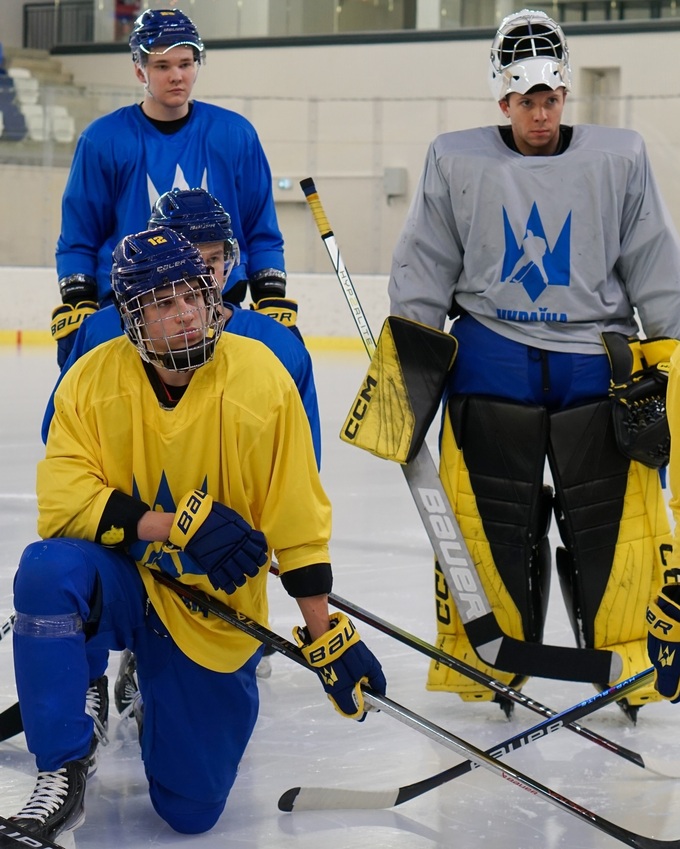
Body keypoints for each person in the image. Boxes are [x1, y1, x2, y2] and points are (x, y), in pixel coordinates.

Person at [9, 226, 386, 842]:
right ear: (131, 318)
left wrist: (325, 633)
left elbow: (296, 514)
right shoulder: (91, 379)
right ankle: (63, 766)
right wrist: (173, 524)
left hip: (211, 607)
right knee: (48, 571)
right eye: (163, 303)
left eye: (192, 295)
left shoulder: (261, 378)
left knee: (190, 812)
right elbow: (61, 499)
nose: (184, 314)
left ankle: (156, 683)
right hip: (127, 578)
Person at [386, 8, 680, 719]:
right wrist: (404, 376)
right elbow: (423, 267)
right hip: (490, 376)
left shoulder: (621, 158)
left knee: (612, 532)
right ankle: (495, 662)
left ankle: (626, 661)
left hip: (595, 380)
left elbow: (654, 265)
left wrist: (669, 358)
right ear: (502, 98)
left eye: (549, 99)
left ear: (566, 93)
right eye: (525, 101)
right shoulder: (455, 161)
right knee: (496, 532)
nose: (539, 115)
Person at [44, 186, 321, 718]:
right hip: (128, 544)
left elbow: (296, 474)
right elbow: (64, 451)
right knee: (61, 573)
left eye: (213, 261)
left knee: (191, 798)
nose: (202, 275)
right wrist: (139, 520)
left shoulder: (275, 347)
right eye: (191, 256)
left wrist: (282, 555)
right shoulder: (104, 336)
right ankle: (91, 679)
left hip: (221, 561)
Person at [51, 7, 299, 369]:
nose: (177, 76)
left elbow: (262, 229)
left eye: (185, 63)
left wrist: (271, 291)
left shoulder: (235, 134)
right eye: (162, 66)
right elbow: (78, 237)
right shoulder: (103, 140)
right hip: (132, 313)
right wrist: (78, 298)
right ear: (140, 69)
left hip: (219, 309)